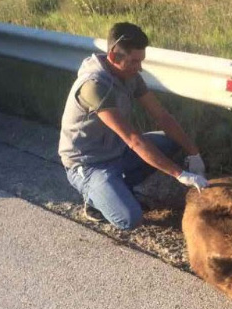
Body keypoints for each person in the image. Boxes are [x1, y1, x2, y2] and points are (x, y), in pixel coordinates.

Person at [58, 22, 209, 230]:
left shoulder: (130, 76)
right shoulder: (94, 86)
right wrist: (179, 174)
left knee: (170, 142)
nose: (139, 68)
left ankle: (119, 187)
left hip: (117, 150)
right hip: (89, 163)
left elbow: (162, 117)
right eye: (134, 61)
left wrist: (194, 153)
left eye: (141, 61)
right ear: (114, 56)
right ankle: (94, 199)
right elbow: (133, 139)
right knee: (129, 219)